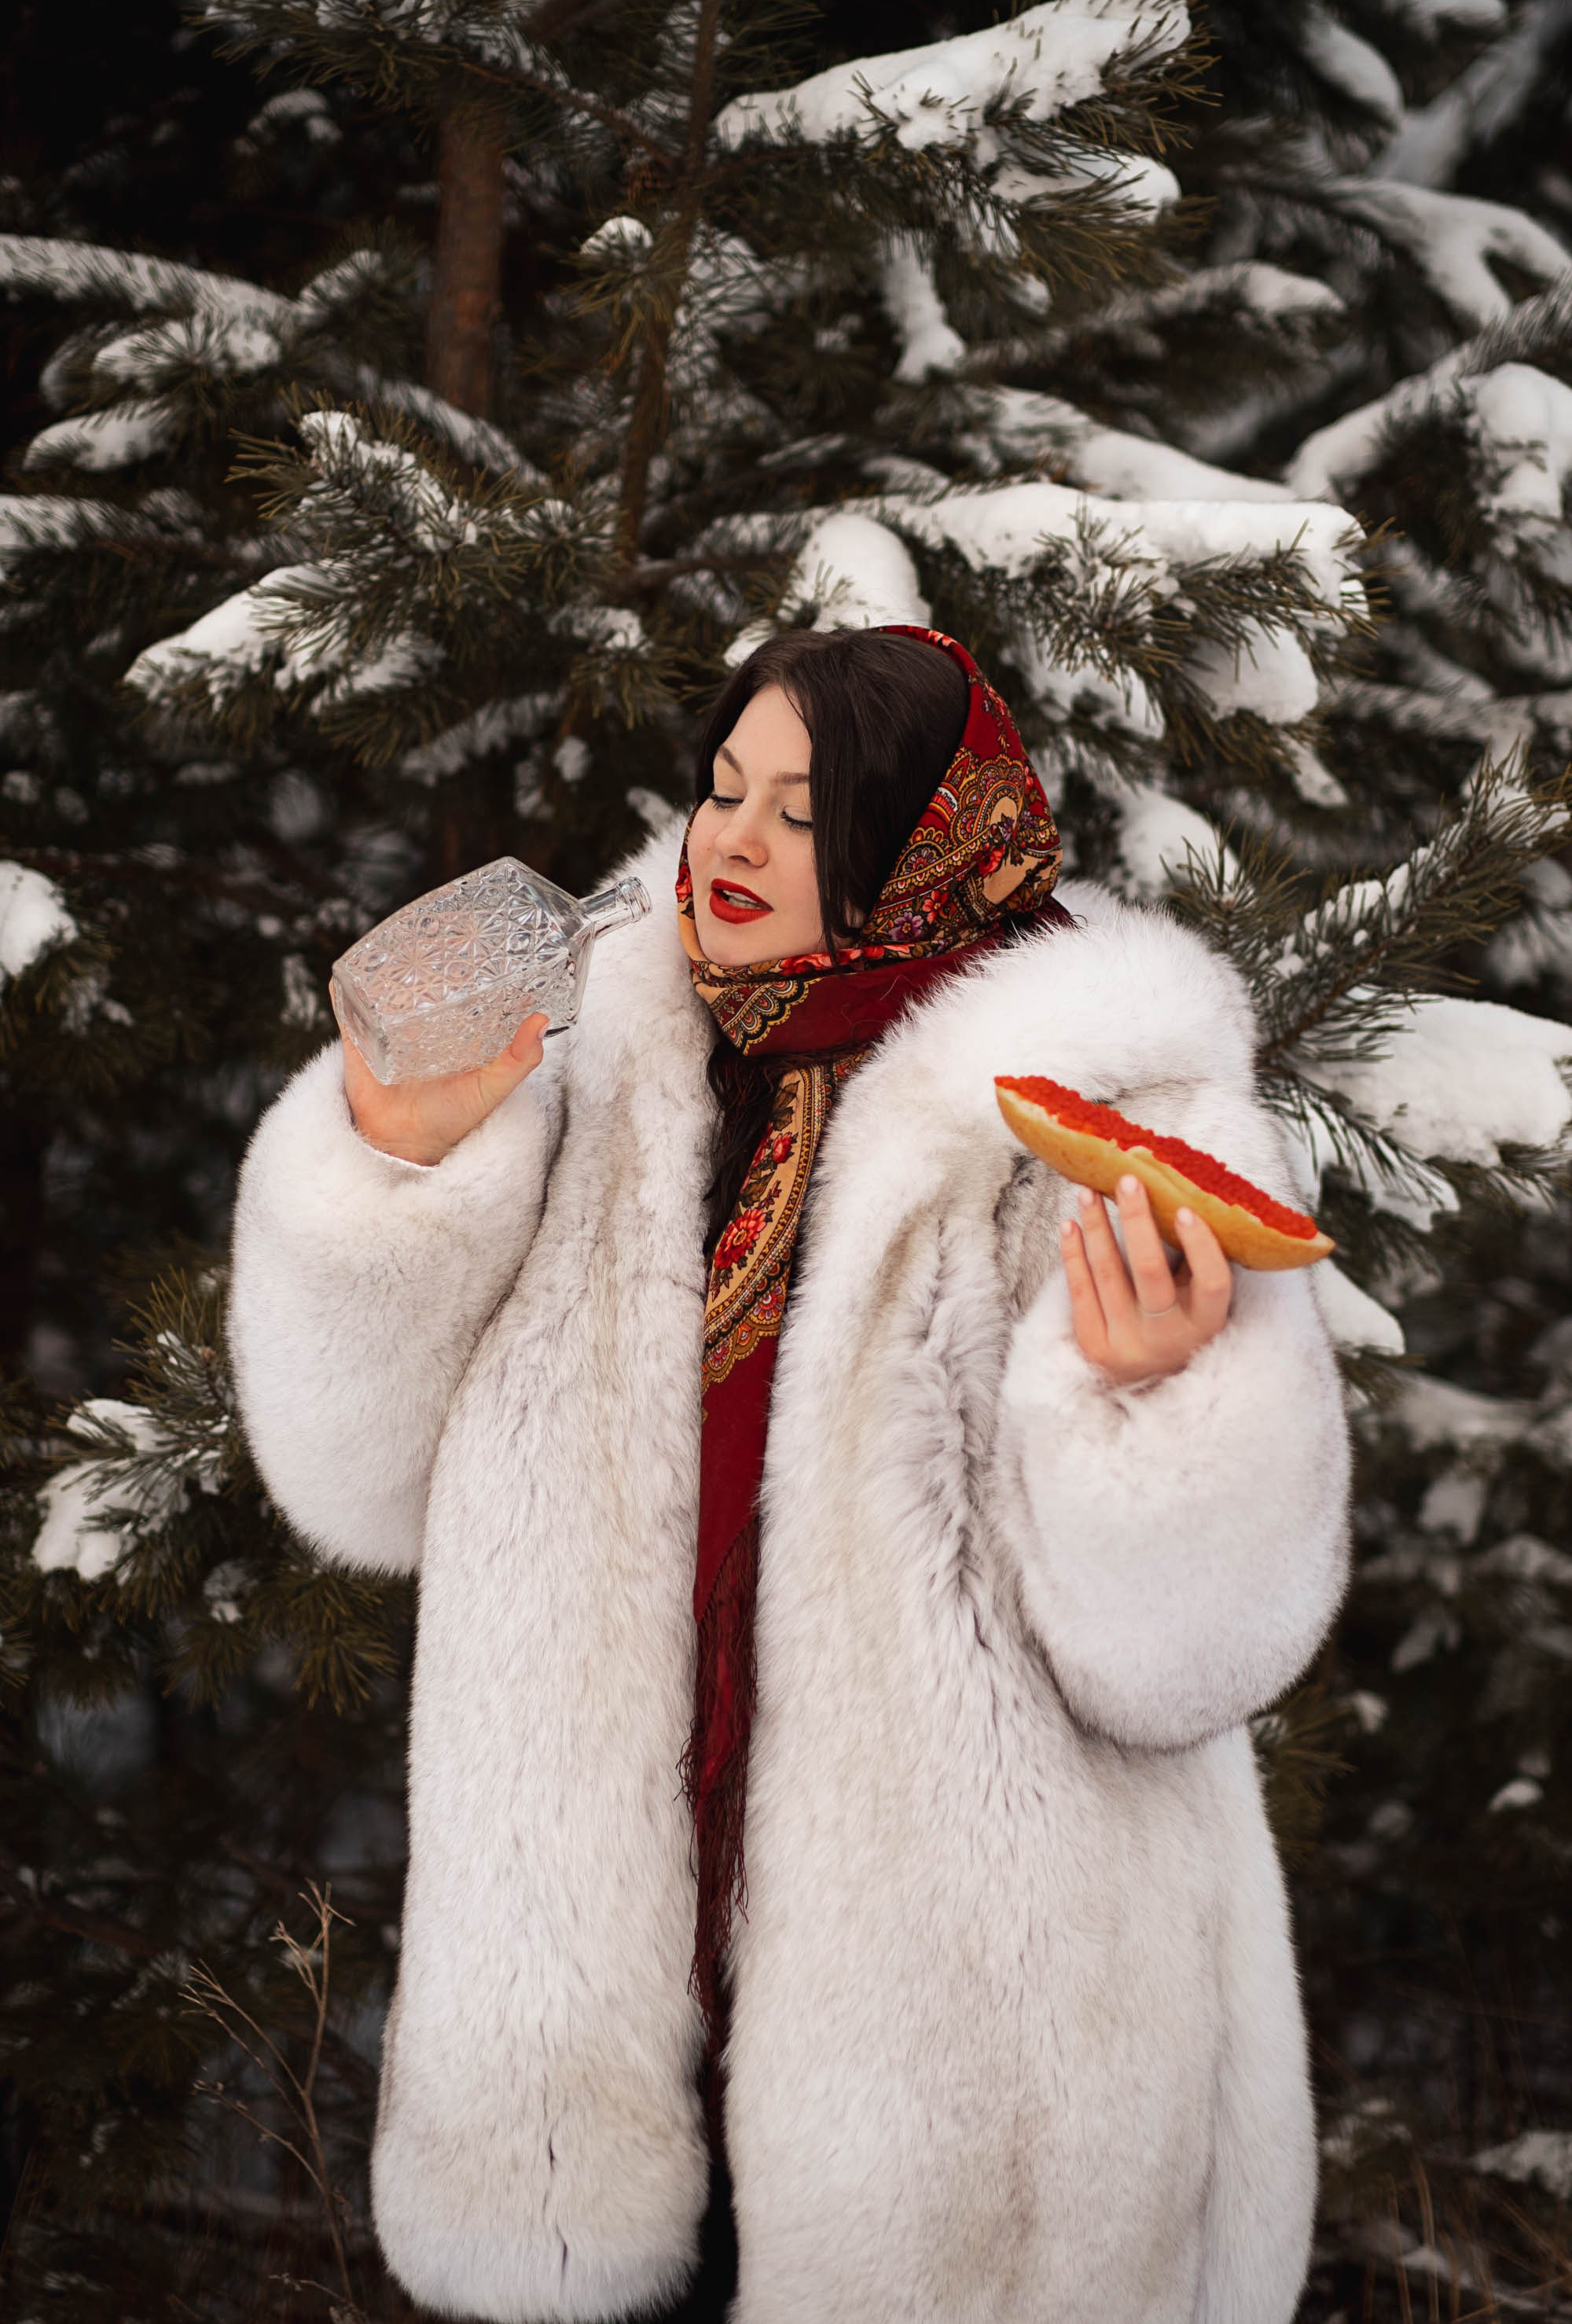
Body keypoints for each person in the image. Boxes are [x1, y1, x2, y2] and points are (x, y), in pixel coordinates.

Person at [226, 623, 1352, 2324]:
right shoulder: (590, 1051)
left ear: (932, 836)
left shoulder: (1121, 1127)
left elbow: (1187, 1660)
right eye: (718, 788)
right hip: (606, 2006)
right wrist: (388, 1173)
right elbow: (356, 1480)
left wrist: (1153, 1414)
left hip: (972, 2071)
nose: (730, 843)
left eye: (804, 812)